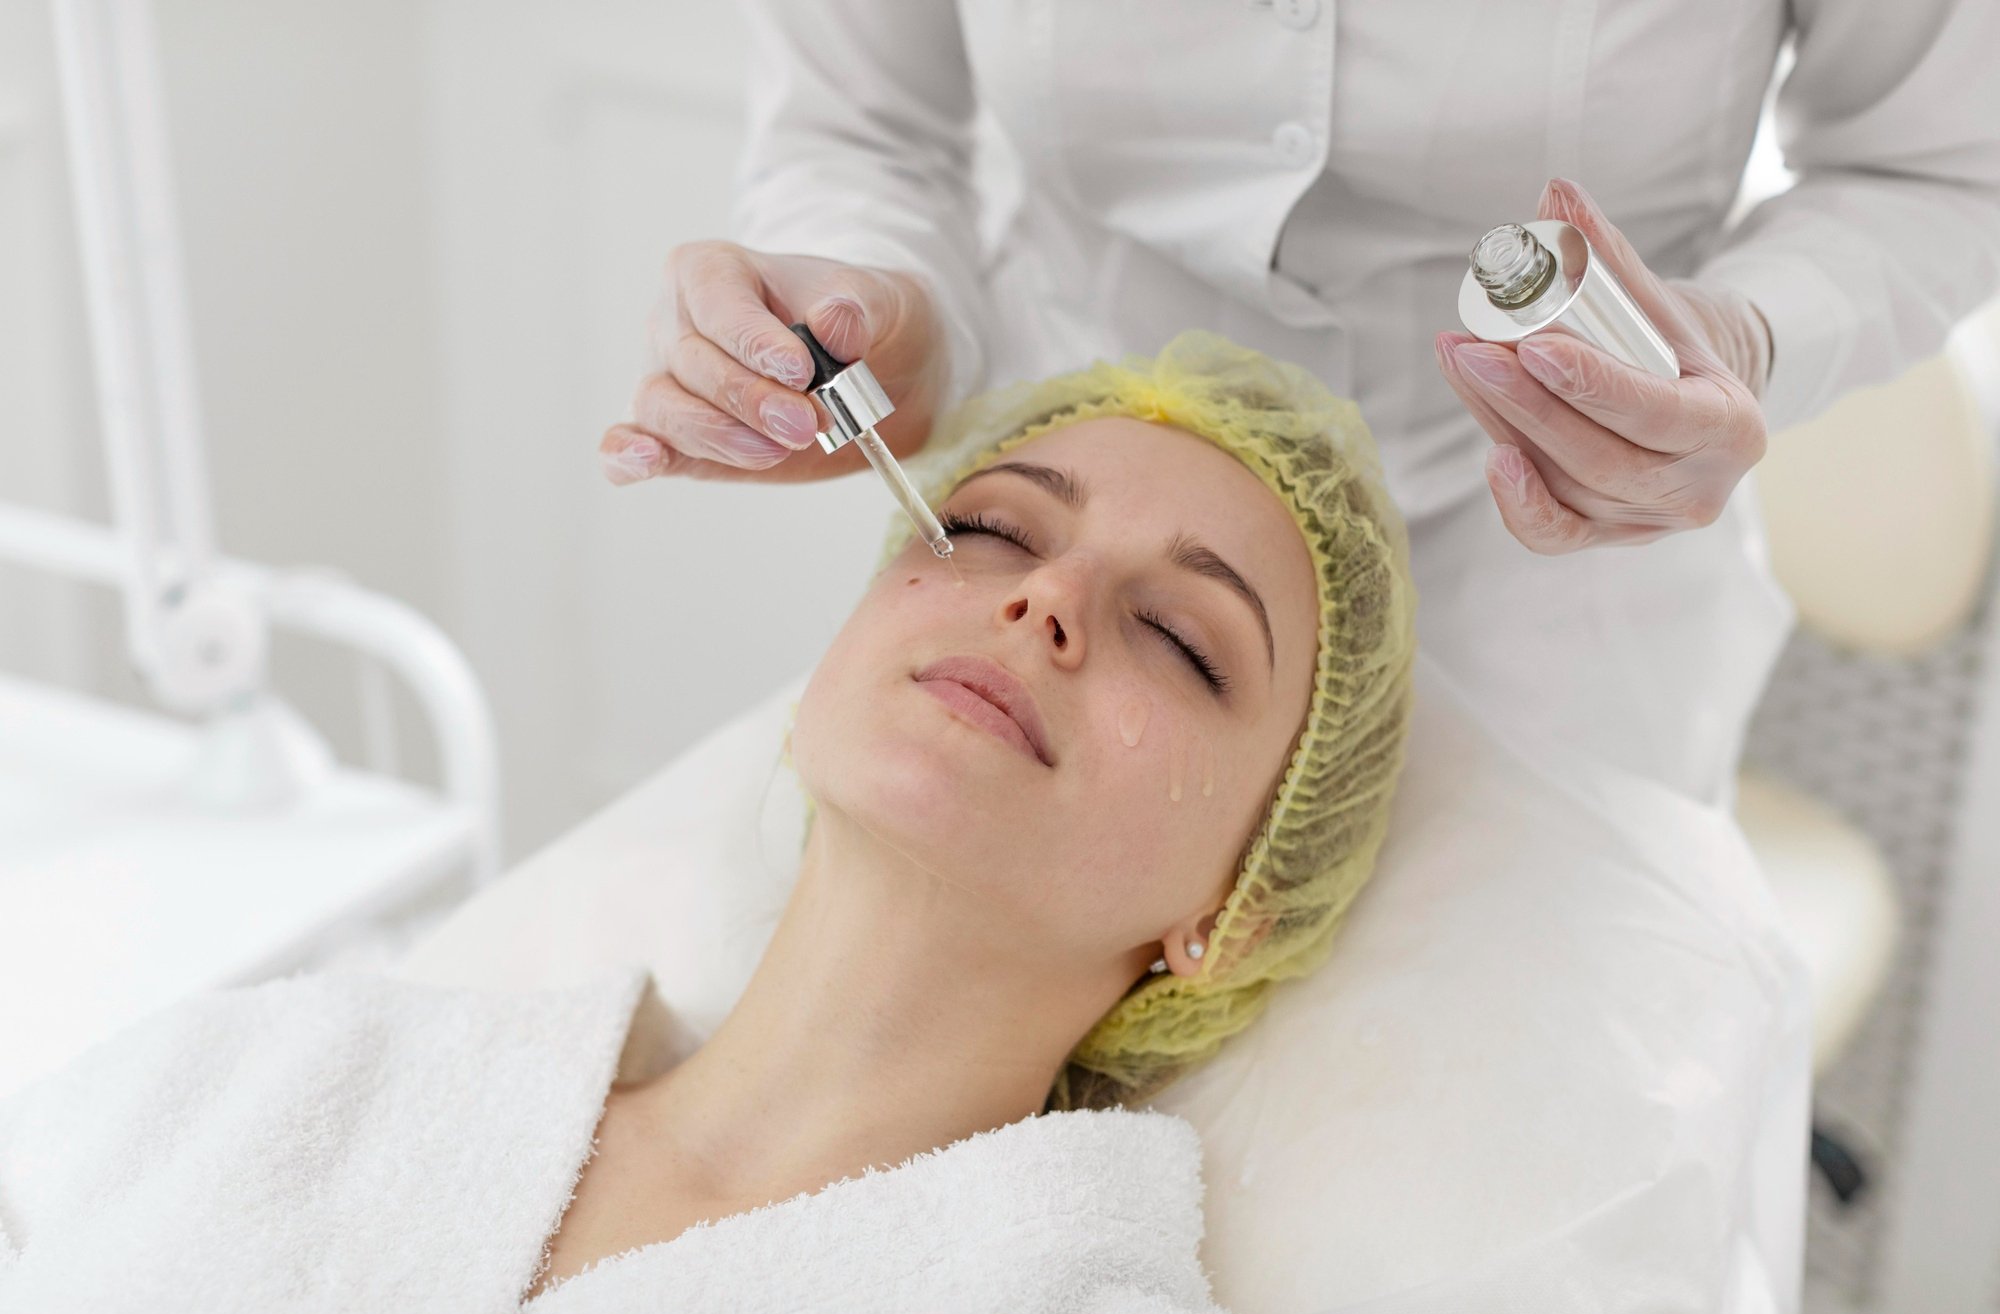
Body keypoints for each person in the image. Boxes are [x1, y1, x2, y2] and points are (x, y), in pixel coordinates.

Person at [0, 333, 1419, 1314]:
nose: (1043, 600)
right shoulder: (292, 1074)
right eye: (987, 529)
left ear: (1238, 910)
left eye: (1179, 636)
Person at [599, 0, 2000, 816]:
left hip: (1545, 598)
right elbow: (863, 128)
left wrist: (1744, 341)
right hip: (1066, 435)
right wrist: (890, 322)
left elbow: (1939, 168)